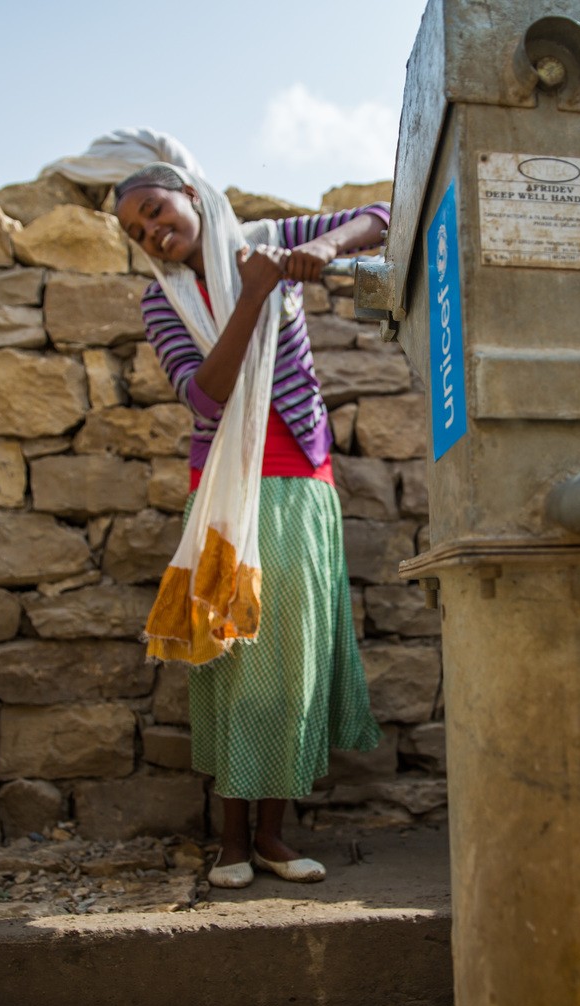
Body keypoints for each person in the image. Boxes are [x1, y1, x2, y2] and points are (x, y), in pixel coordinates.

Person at [114, 159, 388, 889]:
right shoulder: (163, 298)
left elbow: (380, 218)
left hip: (300, 484)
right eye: (137, 230)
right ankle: (230, 841)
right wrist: (256, 293)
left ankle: (272, 835)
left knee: (288, 661)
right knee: (230, 656)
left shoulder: (264, 239)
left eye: (155, 210)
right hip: (225, 494)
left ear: (193, 197)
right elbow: (205, 399)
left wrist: (319, 253)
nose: (151, 232)